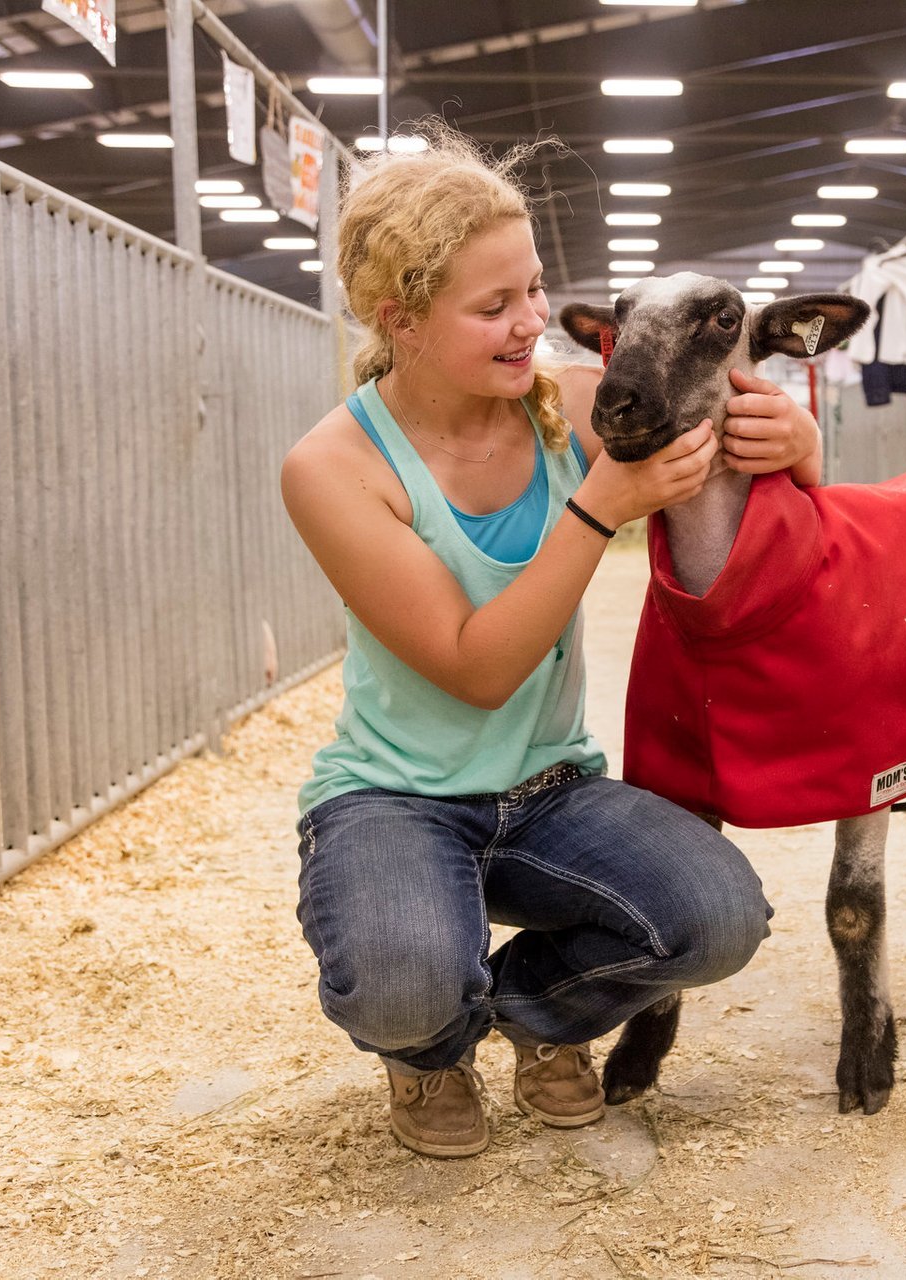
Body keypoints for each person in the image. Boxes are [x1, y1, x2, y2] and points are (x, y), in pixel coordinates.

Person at [278, 131, 821, 1159]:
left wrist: (800, 442)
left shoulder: (572, 406)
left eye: (533, 287)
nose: (535, 321)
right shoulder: (333, 465)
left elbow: (741, 454)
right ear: (401, 319)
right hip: (395, 795)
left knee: (719, 915)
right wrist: (599, 504)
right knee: (401, 985)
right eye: (494, 306)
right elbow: (478, 668)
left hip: (549, 792)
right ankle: (429, 1046)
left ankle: (534, 1018)